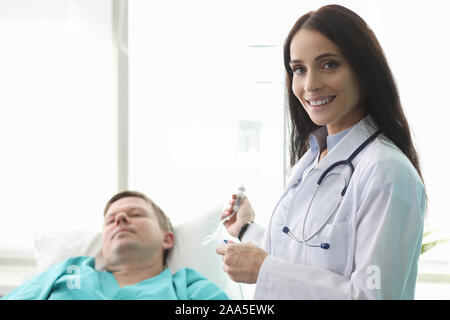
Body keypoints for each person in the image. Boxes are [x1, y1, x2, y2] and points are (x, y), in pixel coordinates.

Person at [216, 4, 426, 299]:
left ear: (363, 69)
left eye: (329, 64)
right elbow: (300, 255)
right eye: (299, 69)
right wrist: (246, 229)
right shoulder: (314, 157)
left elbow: (373, 296)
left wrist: (265, 269)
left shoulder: (387, 171)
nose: (310, 85)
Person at [3, 190, 229, 300]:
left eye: (136, 214)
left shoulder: (189, 288)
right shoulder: (67, 272)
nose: (120, 220)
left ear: (167, 238)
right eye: (110, 220)